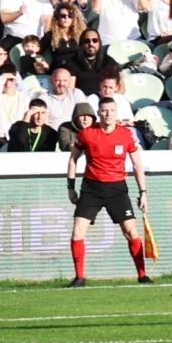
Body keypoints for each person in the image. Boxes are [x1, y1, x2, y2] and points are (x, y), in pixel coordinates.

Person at [64, 97, 150, 288]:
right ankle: (80, 278)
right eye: (104, 110)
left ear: (116, 111)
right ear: (99, 112)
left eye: (111, 110)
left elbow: (137, 164)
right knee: (77, 232)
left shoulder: (126, 135)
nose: (108, 114)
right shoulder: (87, 134)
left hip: (117, 189)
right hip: (91, 188)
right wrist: (71, 187)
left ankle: (142, 275)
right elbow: (73, 160)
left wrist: (143, 192)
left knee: (131, 232)